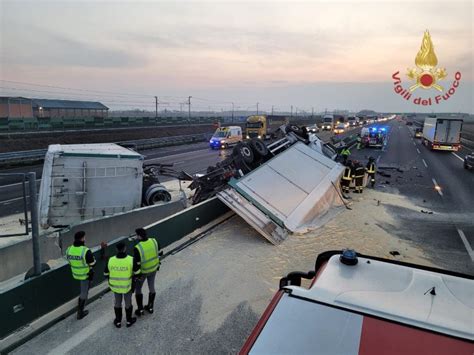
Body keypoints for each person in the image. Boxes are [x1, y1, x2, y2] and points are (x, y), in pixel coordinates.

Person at [104, 242, 140, 328]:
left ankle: (118, 321)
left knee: (117, 303)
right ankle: (128, 321)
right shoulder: (131, 259)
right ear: (125, 249)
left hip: (115, 287)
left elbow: (105, 274)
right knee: (128, 303)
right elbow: (138, 272)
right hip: (127, 286)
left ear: (116, 249)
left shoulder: (111, 260)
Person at [65, 231, 96, 320]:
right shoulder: (85, 250)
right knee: (84, 293)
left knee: (84, 291)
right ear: (82, 238)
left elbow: (69, 260)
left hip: (75, 274)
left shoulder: (69, 249)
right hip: (85, 275)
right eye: (84, 237)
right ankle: (80, 312)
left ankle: (81, 302)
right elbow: (93, 263)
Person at [133, 228, 160, 316]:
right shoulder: (154, 241)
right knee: (151, 286)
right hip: (154, 268)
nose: (136, 237)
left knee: (138, 289)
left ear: (139, 236)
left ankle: (140, 309)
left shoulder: (138, 247)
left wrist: (136, 275)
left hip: (143, 272)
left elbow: (136, 264)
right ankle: (150, 307)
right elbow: (158, 251)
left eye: (136, 235)